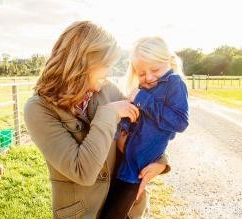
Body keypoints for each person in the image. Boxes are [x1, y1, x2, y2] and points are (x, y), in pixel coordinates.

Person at [24, 21, 170, 219]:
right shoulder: (39, 109)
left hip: (126, 206)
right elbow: (82, 171)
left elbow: (145, 127)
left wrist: (161, 161)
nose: (110, 72)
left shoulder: (107, 89)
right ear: (85, 63)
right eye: (106, 65)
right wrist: (109, 114)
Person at [100, 36, 189, 219]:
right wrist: (123, 128)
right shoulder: (146, 87)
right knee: (109, 210)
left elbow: (180, 122)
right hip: (124, 161)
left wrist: (143, 99)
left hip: (136, 169)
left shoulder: (175, 83)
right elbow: (135, 116)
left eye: (155, 69)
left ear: (168, 61)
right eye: (141, 73)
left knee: (114, 214)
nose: (148, 77)